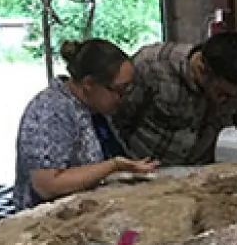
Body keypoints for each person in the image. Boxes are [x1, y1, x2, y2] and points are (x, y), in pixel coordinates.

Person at [14, 38, 159, 210]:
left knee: (137, 231)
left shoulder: (96, 108)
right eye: (119, 90)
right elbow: (47, 185)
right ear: (89, 84)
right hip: (54, 221)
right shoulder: (50, 110)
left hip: (100, 207)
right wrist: (113, 165)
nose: (123, 98)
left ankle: (129, 238)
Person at [113, 32, 237, 167]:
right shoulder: (152, 67)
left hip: (197, 171)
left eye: (234, 97)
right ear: (201, 70)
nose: (225, 102)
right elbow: (118, 122)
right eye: (223, 95)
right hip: (148, 170)